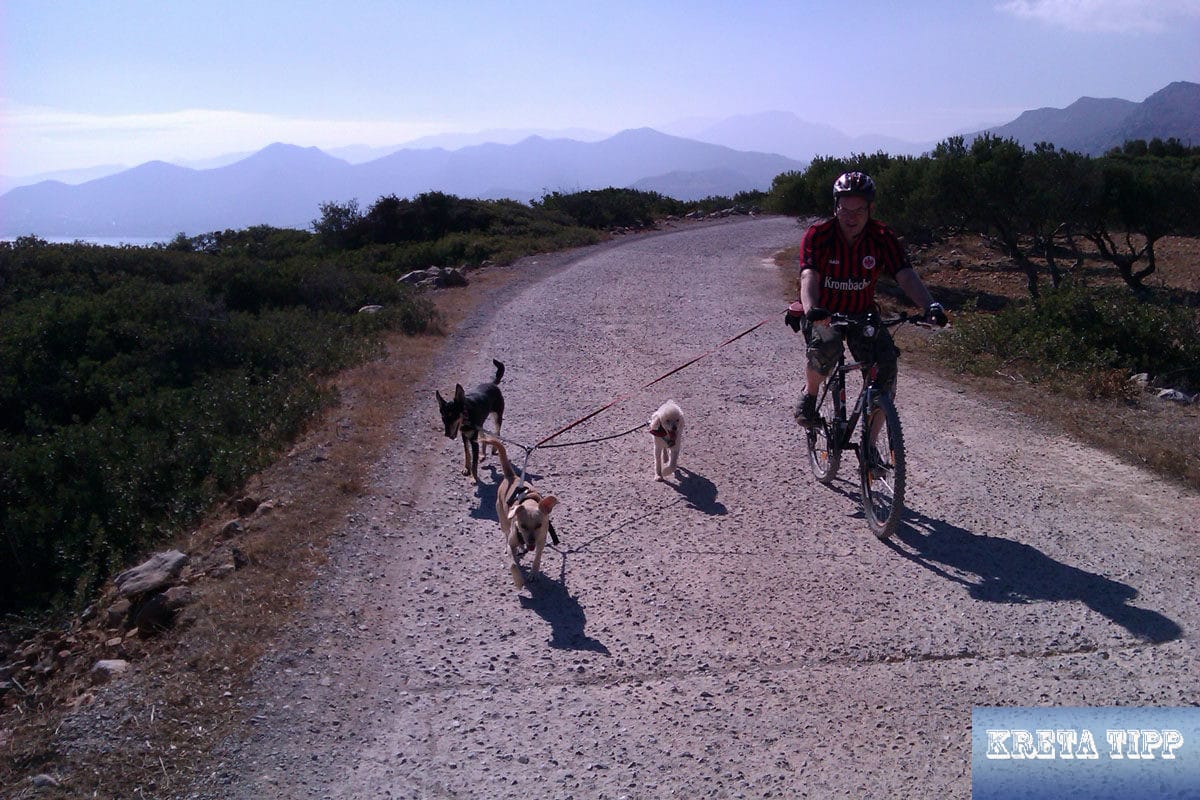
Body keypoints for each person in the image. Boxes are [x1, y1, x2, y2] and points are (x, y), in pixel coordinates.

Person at [785, 171, 947, 426]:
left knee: (885, 368)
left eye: (859, 211)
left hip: (862, 313)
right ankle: (810, 395)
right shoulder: (819, 235)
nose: (851, 218)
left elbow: (904, 274)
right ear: (835, 207)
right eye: (844, 210)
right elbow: (809, 276)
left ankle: (871, 452)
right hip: (824, 312)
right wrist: (812, 310)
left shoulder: (881, 237)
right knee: (825, 348)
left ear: (870, 209)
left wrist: (930, 305)